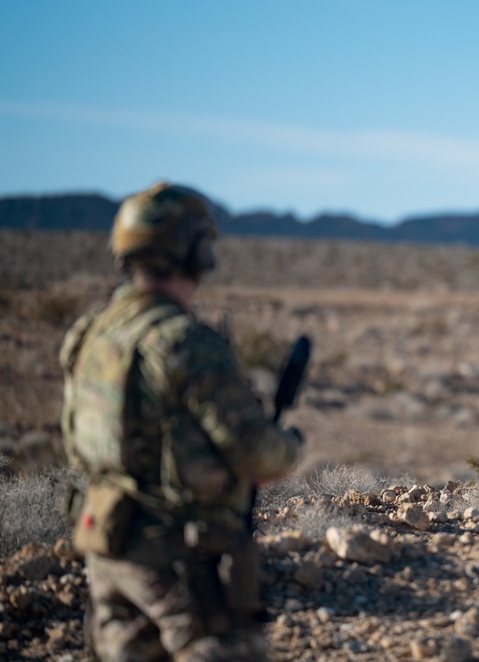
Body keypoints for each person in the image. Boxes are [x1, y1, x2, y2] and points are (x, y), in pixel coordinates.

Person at [59, 182, 303, 661]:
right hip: (177, 557)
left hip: (106, 544)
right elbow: (260, 454)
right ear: (192, 252)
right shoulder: (185, 342)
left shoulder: (92, 332)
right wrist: (289, 445)